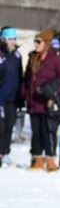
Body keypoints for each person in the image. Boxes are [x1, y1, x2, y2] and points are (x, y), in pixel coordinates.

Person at [21, 29, 60, 171]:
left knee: (47, 131)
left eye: (38, 42)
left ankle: (50, 160)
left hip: (48, 102)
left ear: (46, 43)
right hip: (33, 101)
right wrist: (24, 93)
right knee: (35, 132)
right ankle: (37, 160)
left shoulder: (55, 59)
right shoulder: (33, 57)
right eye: (35, 41)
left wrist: (52, 91)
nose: (35, 44)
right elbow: (27, 78)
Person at [0, 27, 22, 169]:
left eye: (14, 38)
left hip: (13, 98)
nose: (12, 41)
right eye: (10, 38)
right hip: (0, 97)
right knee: (0, 127)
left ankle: (5, 153)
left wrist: (21, 98)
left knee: (9, 126)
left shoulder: (17, 55)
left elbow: (20, 77)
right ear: (3, 39)